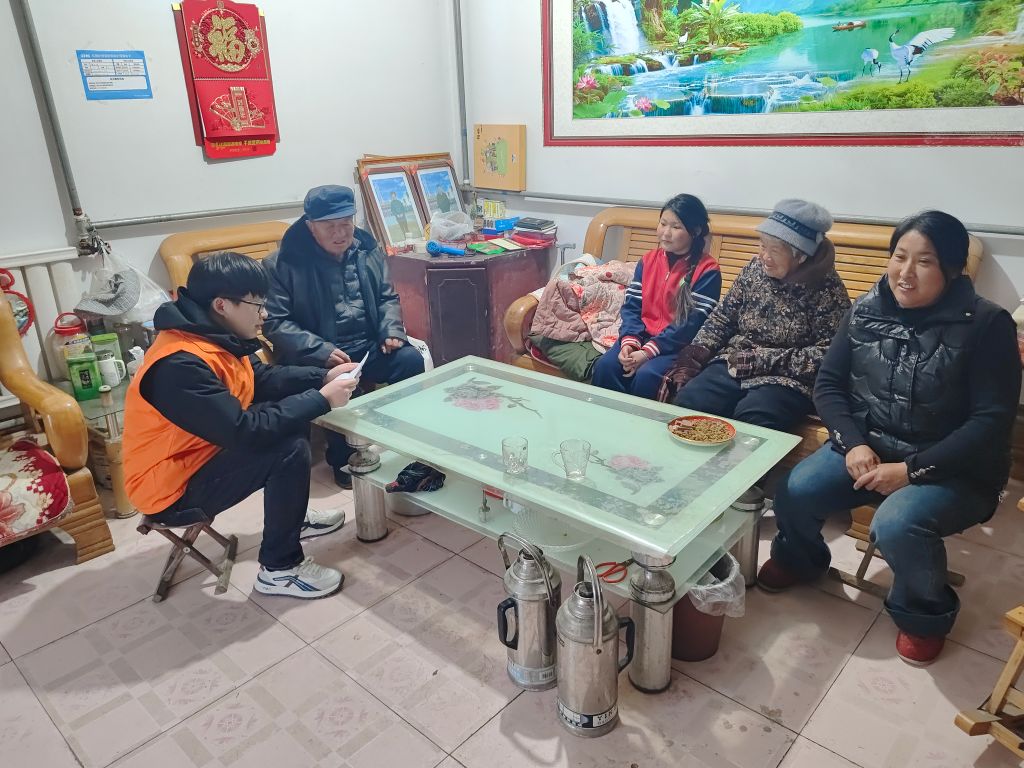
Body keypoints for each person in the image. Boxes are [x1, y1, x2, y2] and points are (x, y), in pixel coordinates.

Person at [757, 211, 1020, 666]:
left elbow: (991, 422)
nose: (905, 272)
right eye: (899, 256)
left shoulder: (987, 325)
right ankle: (799, 558)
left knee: (897, 523)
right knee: (796, 489)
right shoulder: (865, 309)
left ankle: (924, 612)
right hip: (870, 447)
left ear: (953, 269)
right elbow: (829, 385)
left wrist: (911, 471)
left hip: (956, 469)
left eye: (924, 261)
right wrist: (853, 442)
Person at [123, 252, 361, 600]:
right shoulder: (179, 365)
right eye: (257, 305)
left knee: (288, 419)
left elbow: (258, 379)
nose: (264, 314)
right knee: (286, 448)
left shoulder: (213, 334)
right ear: (222, 304)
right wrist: (322, 399)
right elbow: (245, 431)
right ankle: (279, 569)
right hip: (169, 488)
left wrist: (321, 377)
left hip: (198, 454)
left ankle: (292, 517)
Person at [263, 185, 424, 489]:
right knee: (342, 382)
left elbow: (387, 297)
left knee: (410, 359)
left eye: (346, 223)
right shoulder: (282, 263)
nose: (340, 233)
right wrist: (320, 350)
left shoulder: (367, 249)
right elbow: (275, 323)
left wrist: (391, 329)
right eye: (330, 226)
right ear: (311, 226)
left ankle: (401, 439)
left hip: (367, 344)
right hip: (318, 354)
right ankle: (343, 459)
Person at [661, 199, 849, 432]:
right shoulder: (754, 269)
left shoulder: (826, 289)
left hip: (787, 379)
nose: (764, 256)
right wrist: (696, 352)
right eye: (762, 246)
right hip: (734, 363)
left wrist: (762, 361)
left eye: (774, 251)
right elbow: (724, 317)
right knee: (690, 402)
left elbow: (828, 354)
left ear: (801, 256)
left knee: (754, 418)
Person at [590, 193, 721, 400]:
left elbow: (690, 324)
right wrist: (629, 342)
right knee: (606, 366)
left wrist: (647, 353)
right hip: (641, 336)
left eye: (676, 227)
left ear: (695, 231)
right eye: (663, 224)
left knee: (647, 376)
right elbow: (632, 307)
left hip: (678, 345)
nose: (666, 233)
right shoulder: (648, 261)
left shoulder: (708, 270)